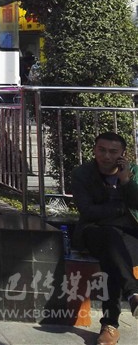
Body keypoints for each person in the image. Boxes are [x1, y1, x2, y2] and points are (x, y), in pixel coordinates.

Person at [71, 132, 138, 345]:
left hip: (129, 234)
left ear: (123, 154)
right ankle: (133, 293)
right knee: (111, 243)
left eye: (113, 151)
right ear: (94, 150)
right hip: (95, 232)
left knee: (114, 257)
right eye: (102, 150)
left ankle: (110, 325)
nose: (106, 156)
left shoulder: (133, 173)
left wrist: (126, 181)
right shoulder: (82, 174)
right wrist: (120, 209)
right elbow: (87, 210)